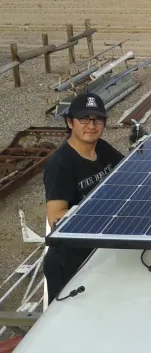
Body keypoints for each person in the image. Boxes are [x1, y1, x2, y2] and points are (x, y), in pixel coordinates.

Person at [43, 92, 124, 304]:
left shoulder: (102, 149)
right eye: (84, 119)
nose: (91, 125)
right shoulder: (61, 164)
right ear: (70, 122)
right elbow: (55, 218)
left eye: (97, 119)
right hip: (69, 262)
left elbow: (128, 173)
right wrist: (101, 215)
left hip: (99, 252)